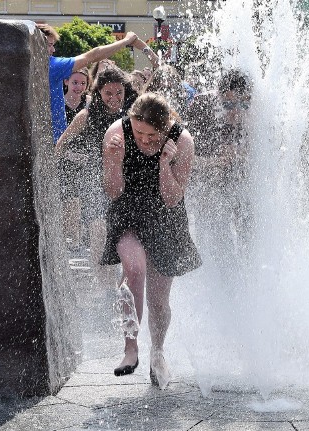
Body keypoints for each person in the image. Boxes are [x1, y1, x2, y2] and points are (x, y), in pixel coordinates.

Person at [100, 93, 201, 388]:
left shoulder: (182, 142)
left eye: (151, 135)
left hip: (165, 219)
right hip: (127, 213)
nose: (143, 140)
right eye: (138, 132)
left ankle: (158, 351)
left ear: (165, 127)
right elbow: (113, 192)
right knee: (134, 268)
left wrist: (164, 164)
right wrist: (115, 161)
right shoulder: (116, 134)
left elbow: (172, 198)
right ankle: (131, 348)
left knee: (158, 301)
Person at [56, 67, 137, 275]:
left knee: (120, 236)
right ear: (98, 92)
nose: (114, 98)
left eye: (119, 92)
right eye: (108, 93)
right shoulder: (85, 116)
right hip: (93, 184)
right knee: (99, 234)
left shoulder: (128, 119)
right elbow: (60, 146)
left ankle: (120, 283)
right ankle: (103, 289)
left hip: (120, 184)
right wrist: (75, 158)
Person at [185, 69, 253, 285]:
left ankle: (248, 283)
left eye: (243, 105)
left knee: (248, 236)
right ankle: (217, 285)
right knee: (215, 239)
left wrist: (248, 154)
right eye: (229, 105)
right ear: (219, 96)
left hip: (241, 188)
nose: (236, 112)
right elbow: (182, 158)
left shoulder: (259, 112)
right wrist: (215, 162)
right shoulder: (203, 108)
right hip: (208, 187)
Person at [36, 23, 137, 142]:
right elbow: (92, 56)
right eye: (50, 45)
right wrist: (126, 41)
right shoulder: (51, 66)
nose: (53, 49)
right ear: (37, 45)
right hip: (52, 139)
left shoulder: (29, 67)